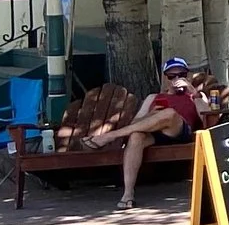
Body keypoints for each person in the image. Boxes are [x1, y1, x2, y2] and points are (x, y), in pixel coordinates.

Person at [91, 57, 212, 210]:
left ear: (187, 77)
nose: (176, 79)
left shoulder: (197, 95)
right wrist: (151, 115)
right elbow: (135, 125)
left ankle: (110, 136)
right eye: (171, 76)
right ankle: (128, 194)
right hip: (156, 135)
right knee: (136, 136)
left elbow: (207, 117)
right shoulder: (153, 97)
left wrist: (194, 93)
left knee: (169, 113)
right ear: (165, 79)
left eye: (181, 75)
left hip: (181, 132)